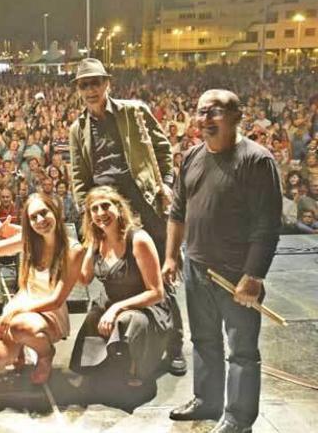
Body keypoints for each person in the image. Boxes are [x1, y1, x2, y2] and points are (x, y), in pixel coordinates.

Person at [165, 90, 282, 433]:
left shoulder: (256, 161)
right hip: (196, 268)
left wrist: (254, 275)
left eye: (214, 112)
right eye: (201, 112)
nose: (205, 119)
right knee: (203, 340)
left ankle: (239, 418)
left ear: (236, 117)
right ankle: (208, 400)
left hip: (236, 275)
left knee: (242, 350)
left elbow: (267, 224)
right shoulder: (191, 157)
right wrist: (172, 256)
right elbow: (177, 212)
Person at [68, 58, 186, 376]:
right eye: (84, 85)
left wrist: (166, 185)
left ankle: (175, 346)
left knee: (162, 277)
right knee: (117, 278)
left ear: (108, 83)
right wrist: (88, 217)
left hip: (145, 205)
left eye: (96, 83)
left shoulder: (134, 111)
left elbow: (163, 149)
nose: (91, 89)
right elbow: (79, 177)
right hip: (108, 213)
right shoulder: (77, 129)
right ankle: (131, 341)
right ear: (78, 90)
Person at [70, 186, 173, 387]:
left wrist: (117, 308)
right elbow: (84, 279)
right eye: (94, 209)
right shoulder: (98, 242)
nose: (101, 213)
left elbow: (156, 292)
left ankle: (134, 367)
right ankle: (102, 364)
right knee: (93, 316)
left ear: (118, 208)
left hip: (147, 307)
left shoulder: (138, 240)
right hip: (111, 302)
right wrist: (89, 247)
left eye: (105, 206)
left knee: (126, 319)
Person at [0, 193, 85, 385]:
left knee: (19, 326)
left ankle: (45, 354)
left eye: (44, 213)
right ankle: (21, 346)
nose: (40, 220)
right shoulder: (30, 239)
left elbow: (57, 300)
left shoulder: (74, 250)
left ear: (55, 212)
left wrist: (16, 312)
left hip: (49, 309)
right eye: (33, 217)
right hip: (23, 302)